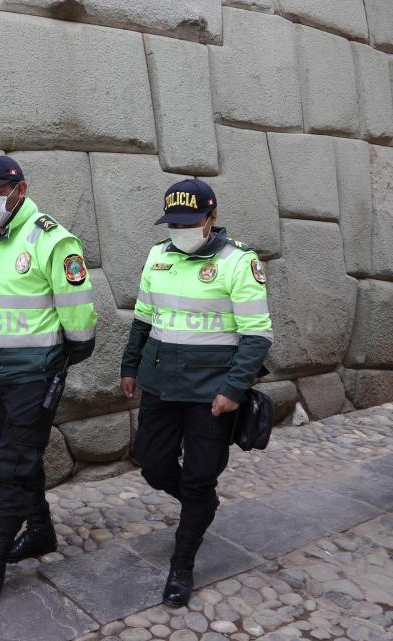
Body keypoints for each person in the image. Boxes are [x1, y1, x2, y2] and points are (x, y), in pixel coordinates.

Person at [0, 155, 98, 596]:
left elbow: (79, 319)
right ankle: (41, 531)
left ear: (20, 190)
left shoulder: (52, 240)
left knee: (12, 464)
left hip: (35, 373)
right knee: (20, 456)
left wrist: (61, 361)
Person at [120, 179, 273, 607]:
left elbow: (257, 335)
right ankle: (200, 502)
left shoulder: (239, 261)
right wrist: (129, 366)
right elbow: (143, 319)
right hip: (161, 384)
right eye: (173, 222)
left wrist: (234, 389)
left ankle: (181, 564)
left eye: (189, 222)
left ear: (212, 219)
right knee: (152, 464)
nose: (180, 230)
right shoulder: (157, 255)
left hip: (212, 394)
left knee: (201, 473)